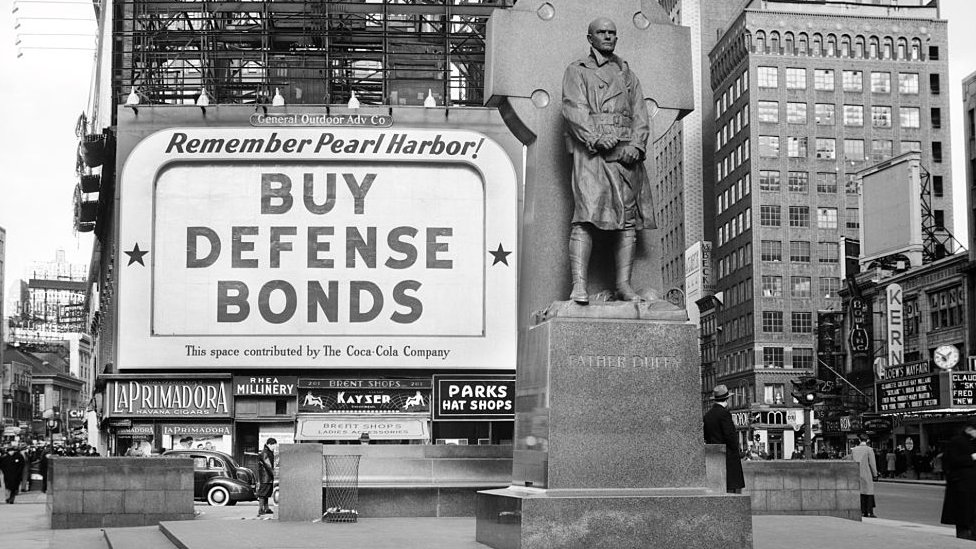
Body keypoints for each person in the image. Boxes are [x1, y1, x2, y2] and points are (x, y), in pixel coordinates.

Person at [561, 17, 654, 304]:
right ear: (590, 39)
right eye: (602, 33)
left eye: (612, 33)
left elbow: (640, 113)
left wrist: (637, 146)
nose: (608, 37)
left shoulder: (627, 74)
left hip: (624, 157)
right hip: (592, 156)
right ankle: (579, 286)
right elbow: (573, 108)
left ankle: (624, 285)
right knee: (586, 217)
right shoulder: (577, 71)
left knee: (626, 222)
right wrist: (594, 137)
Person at [703, 385, 745, 494]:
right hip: (728, 456)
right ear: (727, 399)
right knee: (732, 488)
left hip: (714, 457)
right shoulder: (724, 414)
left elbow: (706, 436)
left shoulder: (707, 415)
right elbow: (730, 436)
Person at [942, 422, 976, 539]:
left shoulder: (971, 442)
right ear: (969, 429)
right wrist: (972, 457)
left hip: (969, 483)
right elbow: (952, 461)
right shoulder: (957, 441)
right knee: (964, 514)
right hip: (962, 484)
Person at [850, 435, 879, 518]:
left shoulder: (854, 450)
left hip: (856, 473)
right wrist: (875, 474)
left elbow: (851, 461)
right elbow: (872, 463)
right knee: (869, 492)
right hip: (866, 473)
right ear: (867, 441)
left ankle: (862, 511)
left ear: (859, 440)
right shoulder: (869, 450)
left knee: (860, 492)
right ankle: (869, 512)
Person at [256, 438, 278, 516]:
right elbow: (268, 465)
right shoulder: (265, 453)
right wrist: (274, 474)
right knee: (263, 493)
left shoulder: (268, 452)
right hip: (265, 477)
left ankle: (266, 508)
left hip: (268, 477)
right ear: (269, 444)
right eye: (273, 446)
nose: (274, 448)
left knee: (267, 493)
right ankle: (261, 509)